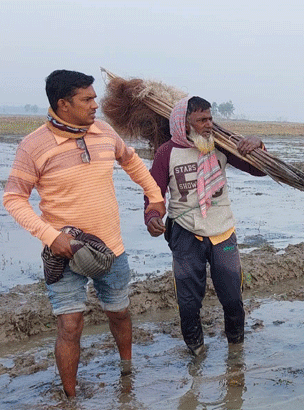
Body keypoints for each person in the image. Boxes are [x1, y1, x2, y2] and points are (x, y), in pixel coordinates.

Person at [2, 70, 166, 397]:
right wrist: (51, 237)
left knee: (119, 313)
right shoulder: (33, 145)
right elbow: (13, 198)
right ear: (63, 104)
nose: (95, 106)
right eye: (87, 99)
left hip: (112, 248)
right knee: (69, 325)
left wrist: (156, 200)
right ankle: (70, 396)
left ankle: (127, 372)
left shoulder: (104, 132)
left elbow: (132, 162)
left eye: (94, 98)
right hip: (63, 252)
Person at [144, 96, 265, 355]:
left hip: (222, 232)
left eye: (210, 118)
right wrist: (153, 216)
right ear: (183, 123)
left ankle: (236, 350)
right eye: (201, 120)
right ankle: (196, 350)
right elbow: (154, 193)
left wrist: (258, 146)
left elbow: (258, 170)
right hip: (186, 234)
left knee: (233, 298)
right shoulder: (167, 153)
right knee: (188, 302)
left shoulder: (220, 146)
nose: (208, 124)